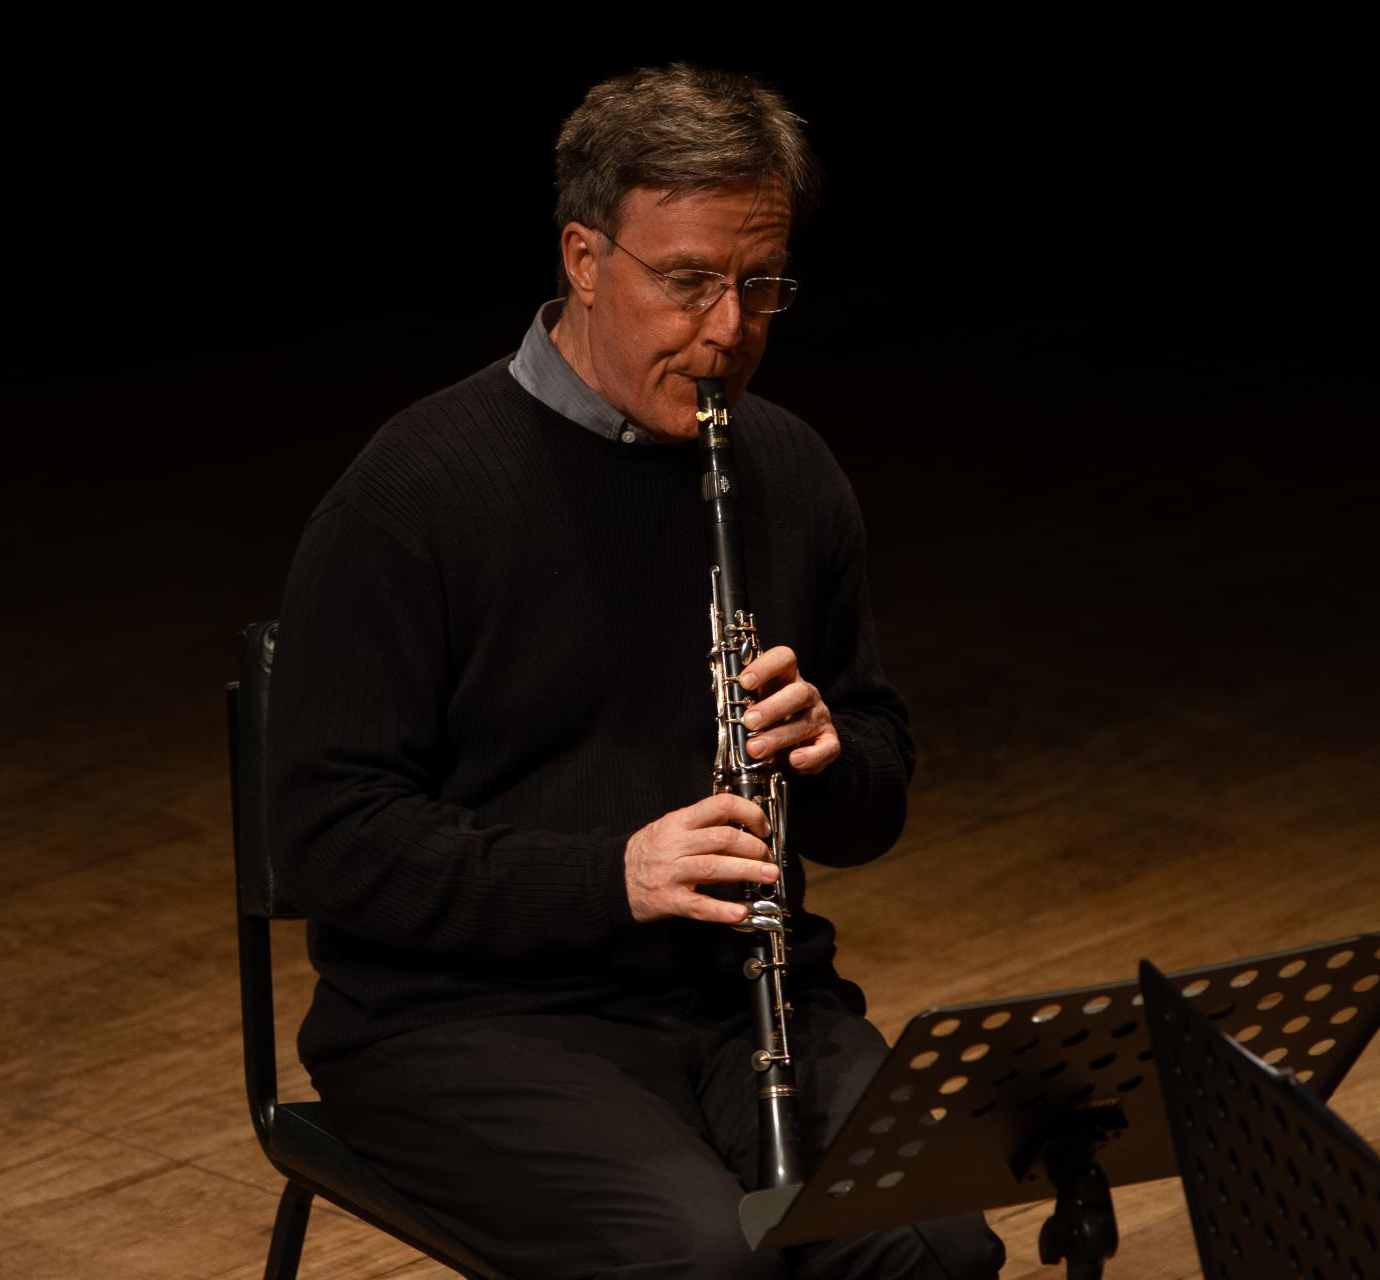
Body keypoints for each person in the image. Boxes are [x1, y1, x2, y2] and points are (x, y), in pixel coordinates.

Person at [266, 63, 1004, 1279]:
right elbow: (328, 838)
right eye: (689, 283)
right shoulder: (416, 493)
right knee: (701, 1257)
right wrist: (611, 875)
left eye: (760, 286)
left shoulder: (789, 470)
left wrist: (828, 757)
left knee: (932, 1244)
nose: (729, 331)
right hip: (465, 1020)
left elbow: (876, 794)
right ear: (584, 258)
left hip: (736, 999)